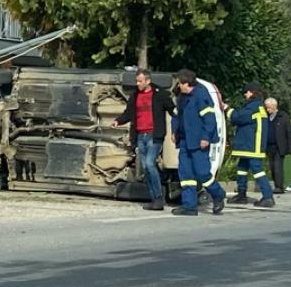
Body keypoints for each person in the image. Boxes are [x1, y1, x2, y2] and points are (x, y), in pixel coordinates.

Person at [112, 68, 175, 211]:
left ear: (148, 81)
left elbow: (173, 110)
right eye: (137, 81)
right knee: (146, 168)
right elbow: (128, 113)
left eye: (140, 81)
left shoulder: (160, 95)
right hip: (140, 135)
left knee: (149, 163)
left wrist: (178, 127)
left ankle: (159, 197)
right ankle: (154, 198)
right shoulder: (135, 96)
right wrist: (118, 121)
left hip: (154, 134)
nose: (138, 84)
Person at [170, 69, 226, 216]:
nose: (178, 86)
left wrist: (206, 137)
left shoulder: (201, 95)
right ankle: (189, 206)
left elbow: (209, 119)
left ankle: (218, 194)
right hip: (185, 141)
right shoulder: (181, 97)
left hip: (198, 141)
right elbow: (176, 115)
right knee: (186, 175)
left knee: (202, 173)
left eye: (180, 83)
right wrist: (174, 131)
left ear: (186, 83)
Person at [226, 83, 275, 207]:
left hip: (252, 145)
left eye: (246, 92)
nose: (245, 94)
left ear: (252, 92)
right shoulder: (258, 106)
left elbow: (238, 118)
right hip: (249, 144)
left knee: (257, 169)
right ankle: (241, 194)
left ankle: (268, 197)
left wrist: (227, 109)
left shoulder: (253, 106)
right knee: (242, 169)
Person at [265, 97, 291, 195]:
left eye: (269, 107)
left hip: (279, 146)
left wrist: (290, 147)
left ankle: (279, 186)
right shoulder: (267, 117)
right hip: (269, 146)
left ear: (274, 106)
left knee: (278, 167)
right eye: (266, 107)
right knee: (272, 167)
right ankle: (276, 185)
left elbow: (289, 132)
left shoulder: (283, 116)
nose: (267, 110)